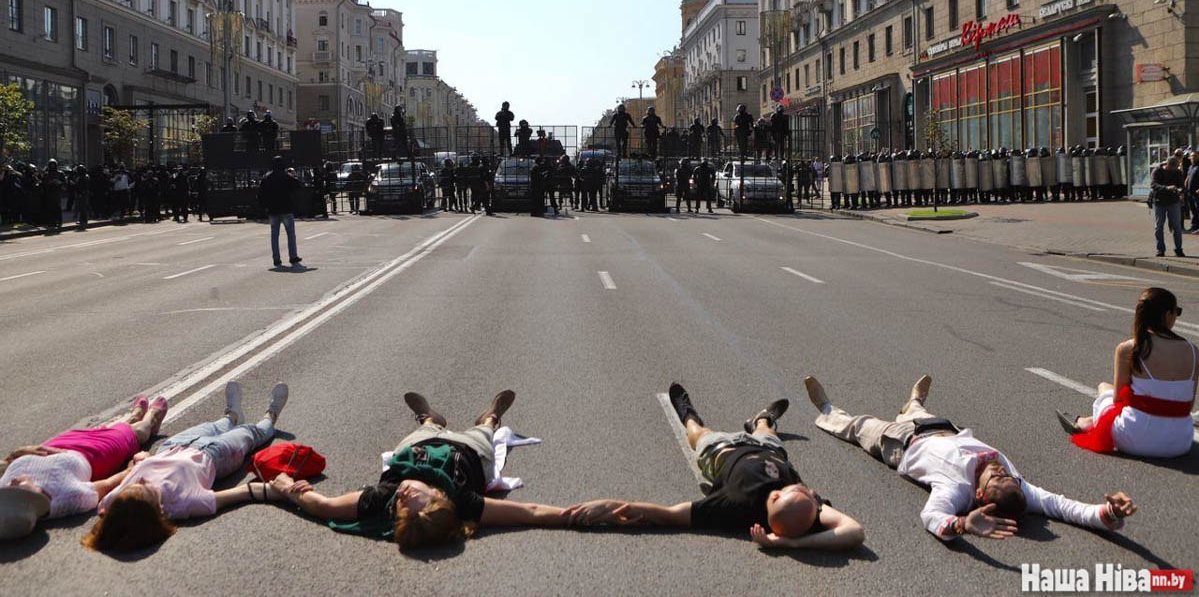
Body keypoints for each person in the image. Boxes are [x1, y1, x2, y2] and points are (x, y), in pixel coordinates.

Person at [804, 374, 1137, 541]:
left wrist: (961, 524)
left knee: (856, 426)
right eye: (1007, 475)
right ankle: (913, 404)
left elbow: (931, 516)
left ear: (979, 495)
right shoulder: (1019, 486)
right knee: (921, 411)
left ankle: (827, 410)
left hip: (900, 443)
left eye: (996, 478)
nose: (999, 469)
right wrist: (1109, 513)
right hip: (949, 430)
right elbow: (1067, 507)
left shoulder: (956, 491)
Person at [567, 383, 864, 550]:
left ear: (775, 498)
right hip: (768, 449)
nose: (813, 492)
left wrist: (607, 508)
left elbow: (667, 515)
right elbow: (854, 530)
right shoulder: (807, 509)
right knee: (768, 435)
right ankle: (762, 419)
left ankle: (688, 414)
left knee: (699, 436)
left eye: (805, 492)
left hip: (722, 451)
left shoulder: (736, 507)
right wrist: (798, 539)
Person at [270, 390, 573, 550]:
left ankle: (428, 418)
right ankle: (492, 415)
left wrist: (289, 489)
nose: (403, 493)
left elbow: (324, 507)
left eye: (401, 504)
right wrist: (582, 514)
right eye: (413, 496)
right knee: (486, 431)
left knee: (424, 431)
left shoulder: (383, 499)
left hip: (420, 447)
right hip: (468, 451)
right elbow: (531, 512)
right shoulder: (464, 502)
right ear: (439, 495)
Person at [82, 382, 289, 553]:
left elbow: (123, 486)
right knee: (250, 434)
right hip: (216, 455)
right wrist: (277, 491)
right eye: (146, 488)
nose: (142, 480)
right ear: (159, 509)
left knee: (216, 425)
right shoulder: (184, 503)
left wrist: (137, 461)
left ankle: (232, 415)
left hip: (173, 446)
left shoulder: (115, 504)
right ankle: (270, 417)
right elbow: (240, 494)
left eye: (134, 485)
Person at [1057, 287, 1197, 458]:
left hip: (1136, 439)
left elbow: (1119, 399)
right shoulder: (1194, 351)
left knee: (1104, 388)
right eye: (1178, 312)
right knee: (1111, 393)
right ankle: (1088, 421)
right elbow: (1189, 405)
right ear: (1168, 315)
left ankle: (1086, 422)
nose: (1176, 317)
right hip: (1180, 442)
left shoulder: (1130, 348)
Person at [0, 396, 168, 533]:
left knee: (114, 429)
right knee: (136, 433)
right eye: (17, 489)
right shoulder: (68, 497)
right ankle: (150, 419)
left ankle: (132, 417)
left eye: (5, 490)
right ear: (33, 503)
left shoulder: (5, 491)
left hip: (56, 444)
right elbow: (107, 484)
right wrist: (134, 466)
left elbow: (3, 465)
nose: (11, 483)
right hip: (94, 454)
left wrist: (17, 453)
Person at [258, 155, 302, 268]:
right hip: (286, 209)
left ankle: (276, 259)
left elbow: (260, 194)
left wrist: (265, 207)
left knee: (274, 236)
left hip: (273, 210)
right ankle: (293, 256)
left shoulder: (267, 177)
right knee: (291, 234)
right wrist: (293, 175)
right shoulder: (286, 176)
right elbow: (298, 186)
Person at [1151, 157, 1185, 257]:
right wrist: (1166, 188)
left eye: (1176, 168)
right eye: (1172, 168)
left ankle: (1178, 249)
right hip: (1159, 202)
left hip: (1173, 201)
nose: (1174, 170)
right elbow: (1153, 185)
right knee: (1159, 226)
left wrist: (1180, 190)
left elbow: (1182, 185)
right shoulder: (1157, 171)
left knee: (1177, 227)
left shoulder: (1178, 172)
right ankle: (1160, 249)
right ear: (1167, 165)